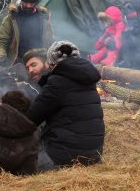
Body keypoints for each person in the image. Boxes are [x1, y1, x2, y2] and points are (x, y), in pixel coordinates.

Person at [28, 40, 105, 171]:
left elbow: (31, 118)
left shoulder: (58, 82)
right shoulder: (88, 80)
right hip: (94, 154)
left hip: (67, 157)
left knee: (25, 157)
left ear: (52, 63)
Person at [0, 0, 53, 67]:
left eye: (31, 3)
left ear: (36, 2)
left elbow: (49, 42)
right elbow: (1, 42)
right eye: (25, 2)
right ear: (21, 0)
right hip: (17, 63)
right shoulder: (12, 18)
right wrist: (1, 55)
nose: (28, 6)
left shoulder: (44, 18)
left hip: (39, 62)